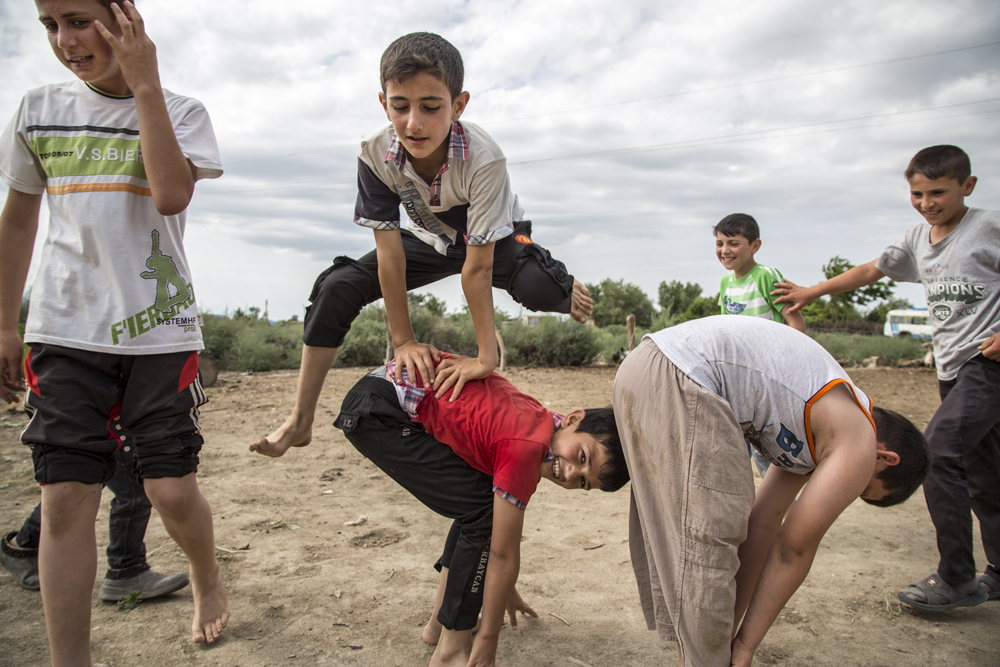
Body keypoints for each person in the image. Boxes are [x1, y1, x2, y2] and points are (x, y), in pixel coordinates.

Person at [0, 1, 229, 662]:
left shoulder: (182, 111)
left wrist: (145, 83)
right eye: (50, 25)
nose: (66, 41)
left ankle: (207, 578)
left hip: (159, 333)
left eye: (79, 19)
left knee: (170, 488)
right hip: (64, 330)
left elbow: (170, 195)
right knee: (66, 498)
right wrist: (5, 322)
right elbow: (18, 221)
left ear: (125, 16)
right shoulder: (37, 109)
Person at [252, 32, 593, 458]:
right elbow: (389, 254)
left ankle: (561, 281)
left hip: (495, 239)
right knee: (336, 286)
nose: (414, 122)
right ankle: (300, 421)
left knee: (541, 290)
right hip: (429, 239)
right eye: (400, 107)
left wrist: (486, 358)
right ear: (383, 103)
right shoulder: (374, 155)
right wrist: (404, 342)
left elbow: (478, 269)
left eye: (431, 107)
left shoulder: (485, 159)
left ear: (459, 105)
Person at [258, 355, 628, 667]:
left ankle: (440, 624)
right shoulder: (524, 449)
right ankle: (453, 647)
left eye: (584, 482)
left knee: (479, 503)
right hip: (381, 411)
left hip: (381, 394)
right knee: (482, 511)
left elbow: (500, 551)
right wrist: (487, 638)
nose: (572, 473)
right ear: (575, 419)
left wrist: (502, 588)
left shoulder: (538, 420)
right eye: (583, 458)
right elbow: (501, 552)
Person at [613, 316, 930, 667]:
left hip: (646, 366)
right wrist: (746, 645)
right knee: (711, 536)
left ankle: (698, 655)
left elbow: (762, 526)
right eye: (863, 488)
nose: (849, 488)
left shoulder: (816, 425)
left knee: (692, 540)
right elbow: (791, 550)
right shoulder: (859, 441)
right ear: (884, 457)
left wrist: (732, 636)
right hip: (681, 373)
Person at [772, 144, 1000, 612]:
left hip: (989, 363)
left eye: (938, 192)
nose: (926, 202)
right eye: (917, 193)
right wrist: (813, 291)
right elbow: (872, 270)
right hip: (953, 367)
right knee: (982, 470)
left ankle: (957, 577)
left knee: (943, 450)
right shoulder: (918, 239)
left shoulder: (989, 228)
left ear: (968, 186)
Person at [1, 445, 189, 602]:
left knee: (82, 482)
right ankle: (126, 569)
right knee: (130, 485)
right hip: (98, 412)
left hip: (93, 414)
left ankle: (23, 547)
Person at [714, 212, 806, 478]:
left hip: (770, 381)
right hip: (740, 381)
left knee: (770, 453)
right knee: (737, 452)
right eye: (720, 243)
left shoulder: (765, 276)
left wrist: (785, 365)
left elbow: (796, 324)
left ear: (755, 246)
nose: (725, 250)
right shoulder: (725, 283)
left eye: (733, 243)